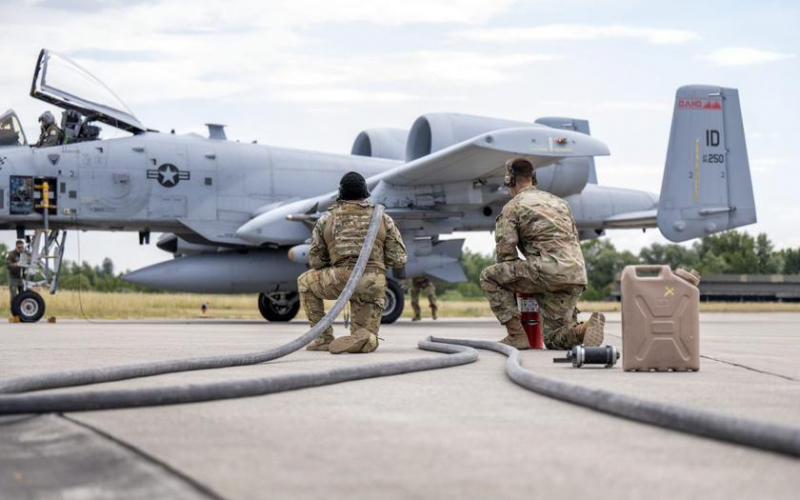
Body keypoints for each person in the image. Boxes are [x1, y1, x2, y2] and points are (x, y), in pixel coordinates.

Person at [480, 158, 605, 350]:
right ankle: (584, 330)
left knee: (489, 276)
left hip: (545, 271)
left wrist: (519, 289)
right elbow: (573, 238)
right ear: (534, 178)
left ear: (510, 180)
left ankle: (516, 335)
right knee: (554, 339)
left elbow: (505, 255)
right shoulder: (560, 203)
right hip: (575, 273)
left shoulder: (513, 207)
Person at [298, 172, 407, 354]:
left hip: (340, 279)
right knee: (363, 337)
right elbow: (399, 259)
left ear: (340, 193)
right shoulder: (383, 218)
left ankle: (323, 339)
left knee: (304, 282)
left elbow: (316, 261)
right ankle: (368, 339)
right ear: (365, 193)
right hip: (372, 283)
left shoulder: (326, 219)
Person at [5, 240, 26, 308]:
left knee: (23, 295)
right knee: (14, 296)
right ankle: (14, 310)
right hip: (13, 278)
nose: (21, 249)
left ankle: (21, 310)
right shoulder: (11, 254)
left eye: (22, 247)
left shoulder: (24, 254)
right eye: (19, 247)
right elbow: (8, 265)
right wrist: (16, 264)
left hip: (21, 278)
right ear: (16, 247)